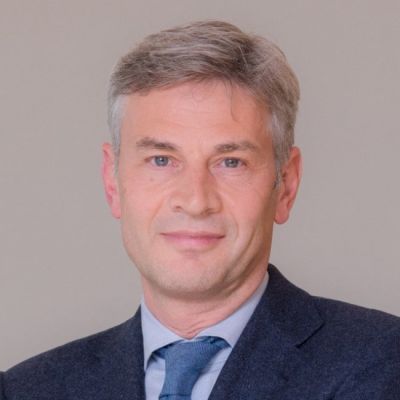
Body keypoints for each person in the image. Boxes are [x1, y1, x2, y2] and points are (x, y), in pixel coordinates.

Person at [1, 20, 399, 400]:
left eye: (231, 162)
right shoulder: (25, 390)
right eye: (161, 159)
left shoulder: (382, 364)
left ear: (286, 185)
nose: (195, 200)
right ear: (112, 181)